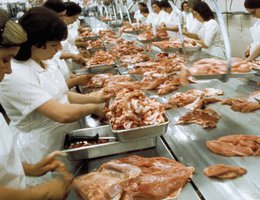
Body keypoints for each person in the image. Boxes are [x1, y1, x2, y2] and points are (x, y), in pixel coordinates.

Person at [0, 7, 107, 167]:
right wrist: (94, 107)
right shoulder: (15, 74)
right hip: (42, 149)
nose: (59, 49)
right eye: (54, 44)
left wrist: (97, 99)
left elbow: (63, 95)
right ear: (35, 44)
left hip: (66, 139)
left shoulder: (44, 61)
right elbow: (61, 113)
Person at [0, 8, 72, 199]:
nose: (8, 70)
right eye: (4, 60)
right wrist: (40, 193)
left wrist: (29, 169)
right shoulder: (16, 76)